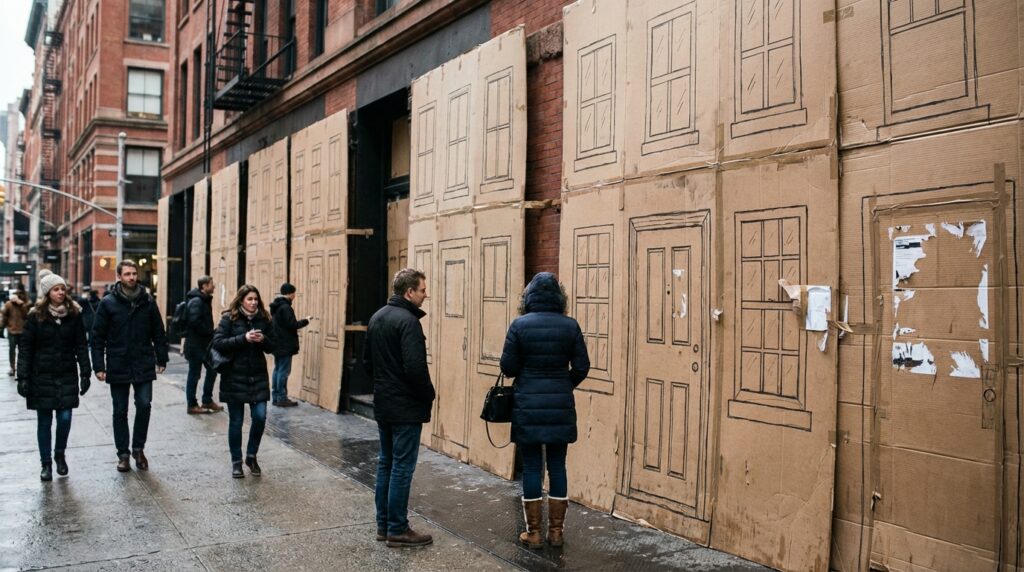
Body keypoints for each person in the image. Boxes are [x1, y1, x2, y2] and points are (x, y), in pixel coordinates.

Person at [499, 272, 590, 549]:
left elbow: (508, 368)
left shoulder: (519, 325)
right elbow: (583, 367)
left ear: (528, 298)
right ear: (560, 298)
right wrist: (564, 384)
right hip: (560, 405)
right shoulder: (570, 326)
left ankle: (534, 533)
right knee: (558, 465)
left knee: (531, 467)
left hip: (527, 404)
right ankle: (557, 532)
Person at [364, 268, 436, 548]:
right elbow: (415, 368)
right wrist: (428, 394)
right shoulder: (408, 322)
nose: (425, 294)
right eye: (422, 289)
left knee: (387, 462)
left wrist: (385, 383)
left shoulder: (377, 317)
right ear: (409, 292)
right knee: (402, 467)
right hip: (405, 405)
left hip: (383, 402)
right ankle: (397, 528)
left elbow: (367, 363)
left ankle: (384, 525)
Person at [91, 260, 169, 472]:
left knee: (144, 405)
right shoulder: (107, 303)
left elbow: (158, 332)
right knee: (120, 410)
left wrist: (161, 358)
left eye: (134, 273)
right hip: (118, 363)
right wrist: (98, 365)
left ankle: (138, 448)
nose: (132, 277)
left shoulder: (148, 302)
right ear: (119, 277)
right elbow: (97, 337)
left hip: (143, 361)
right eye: (127, 274)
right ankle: (123, 454)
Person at [16, 271, 91, 481]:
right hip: (42, 375)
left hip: (66, 373)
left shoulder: (74, 314)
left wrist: (86, 372)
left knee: (65, 418)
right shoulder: (35, 316)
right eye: (56, 289)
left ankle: (60, 454)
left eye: (62, 289)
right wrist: (22, 377)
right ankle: (46, 463)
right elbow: (26, 348)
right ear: (48, 293)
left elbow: (81, 346)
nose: (60, 292)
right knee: (44, 421)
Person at [212, 284, 275, 478]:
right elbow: (218, 343)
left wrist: (263, 339)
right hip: (234, 377)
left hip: (257, 377)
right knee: (236, 422)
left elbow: (274, 346)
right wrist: (243, 338)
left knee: (260, 417)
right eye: (250, 299)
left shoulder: (264, 319)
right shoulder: (229, 318)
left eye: (256, 299)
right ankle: (236, 462)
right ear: (241, 300)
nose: (253, 302)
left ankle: (251, 455)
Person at [183, 276, 223, 414]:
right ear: (204, 286)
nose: (214, 286)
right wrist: (209, 332)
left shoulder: (203, 300)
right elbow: (194, 322)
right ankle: (192, 404)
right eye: (212, 284)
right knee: (194, 374)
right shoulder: (197, 301)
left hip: (203, 344)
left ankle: (207, 400)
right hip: (195, 345)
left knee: (212, 370)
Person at [269, 282, 311, 407]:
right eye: (294, 293)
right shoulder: (285, 307)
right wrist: (306, 320)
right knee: (283, 371)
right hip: (285, 344)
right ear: (291, 293)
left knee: (277, 369)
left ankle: (276, 397)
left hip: (277, 343)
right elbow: (292, 325)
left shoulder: (276, 306)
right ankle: (282, 398)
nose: (295, 296)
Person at [1, 284, 31, 376]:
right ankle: (12, 368)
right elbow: (4, 316)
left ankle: (22, 368)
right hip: (12, 331)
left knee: (23, 351)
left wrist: (21, 304)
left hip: (23, 331)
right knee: (12, 350)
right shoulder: (9, 304)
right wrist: (1, 327)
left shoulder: (26, 304)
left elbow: (27, 315)